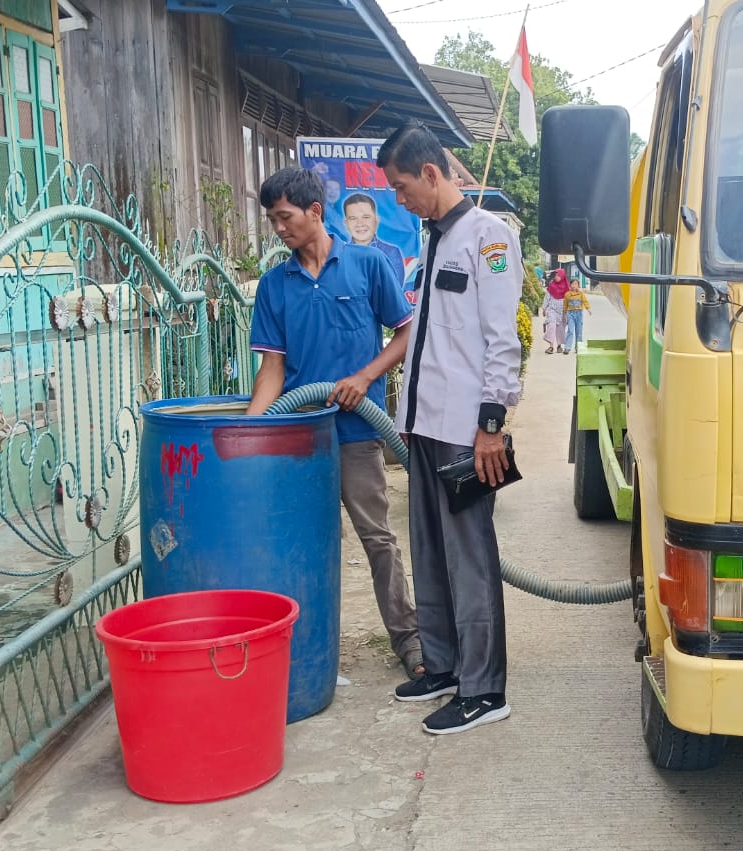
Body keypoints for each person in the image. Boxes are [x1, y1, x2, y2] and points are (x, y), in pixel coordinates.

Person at [244, 167, 426, 680]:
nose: (278, 229)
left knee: (378, 539)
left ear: (315, 212)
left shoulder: (367, 265)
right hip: (298, 437)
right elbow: (272, 370)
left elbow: (406, 333)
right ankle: (300, 648)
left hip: (357, 434)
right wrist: (249, 435)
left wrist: (364, 376)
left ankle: (410, 642)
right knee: (301, 543)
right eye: (272, 220)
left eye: (285, 218)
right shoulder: (275, 286)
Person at [378, 121, 522, 735]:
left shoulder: (486, 237)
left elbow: (499, 339)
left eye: (403, 187)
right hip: (424, 427)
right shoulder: (433, 239)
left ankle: (485, 688)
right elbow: (429, 339)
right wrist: (407, 416)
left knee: (470, 562)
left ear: (432, 174)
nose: (399, 199)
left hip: (467, 432)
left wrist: (491, 425)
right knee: (430, 554)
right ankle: (443, 665)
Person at [342, 192, 407, 288]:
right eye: (353, 218)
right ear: (346, 224)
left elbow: (393, 292)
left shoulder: (391, 253)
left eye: (366, 217)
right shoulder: (340, 255)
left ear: (376, 220)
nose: (360, 223)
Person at [542, 269, 569, 353]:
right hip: (552, 309)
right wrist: (544, 308)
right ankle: (551, 346)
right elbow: (547, 297)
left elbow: (569, 300)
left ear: (562, 276)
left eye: (558, 276)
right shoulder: (551, 285)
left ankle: (559, 346)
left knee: (560, 328)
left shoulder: (567, 288)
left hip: (562, 310)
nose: (556, 277)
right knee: (552, 326)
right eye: (556, 276)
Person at [562, 280, 590, 355]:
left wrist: (588, 309)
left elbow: (585, 301)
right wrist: (564, 314)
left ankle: (578, 347)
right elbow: (565, 305)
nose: (574, 285)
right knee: (570, 331)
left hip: (579, 314)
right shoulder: (567, 294)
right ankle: (567, 348)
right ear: (570, 285)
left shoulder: (581, 294)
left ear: (578, 285)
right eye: (573, 284)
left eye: (576, 284)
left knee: (579, 331)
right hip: (570, 314)